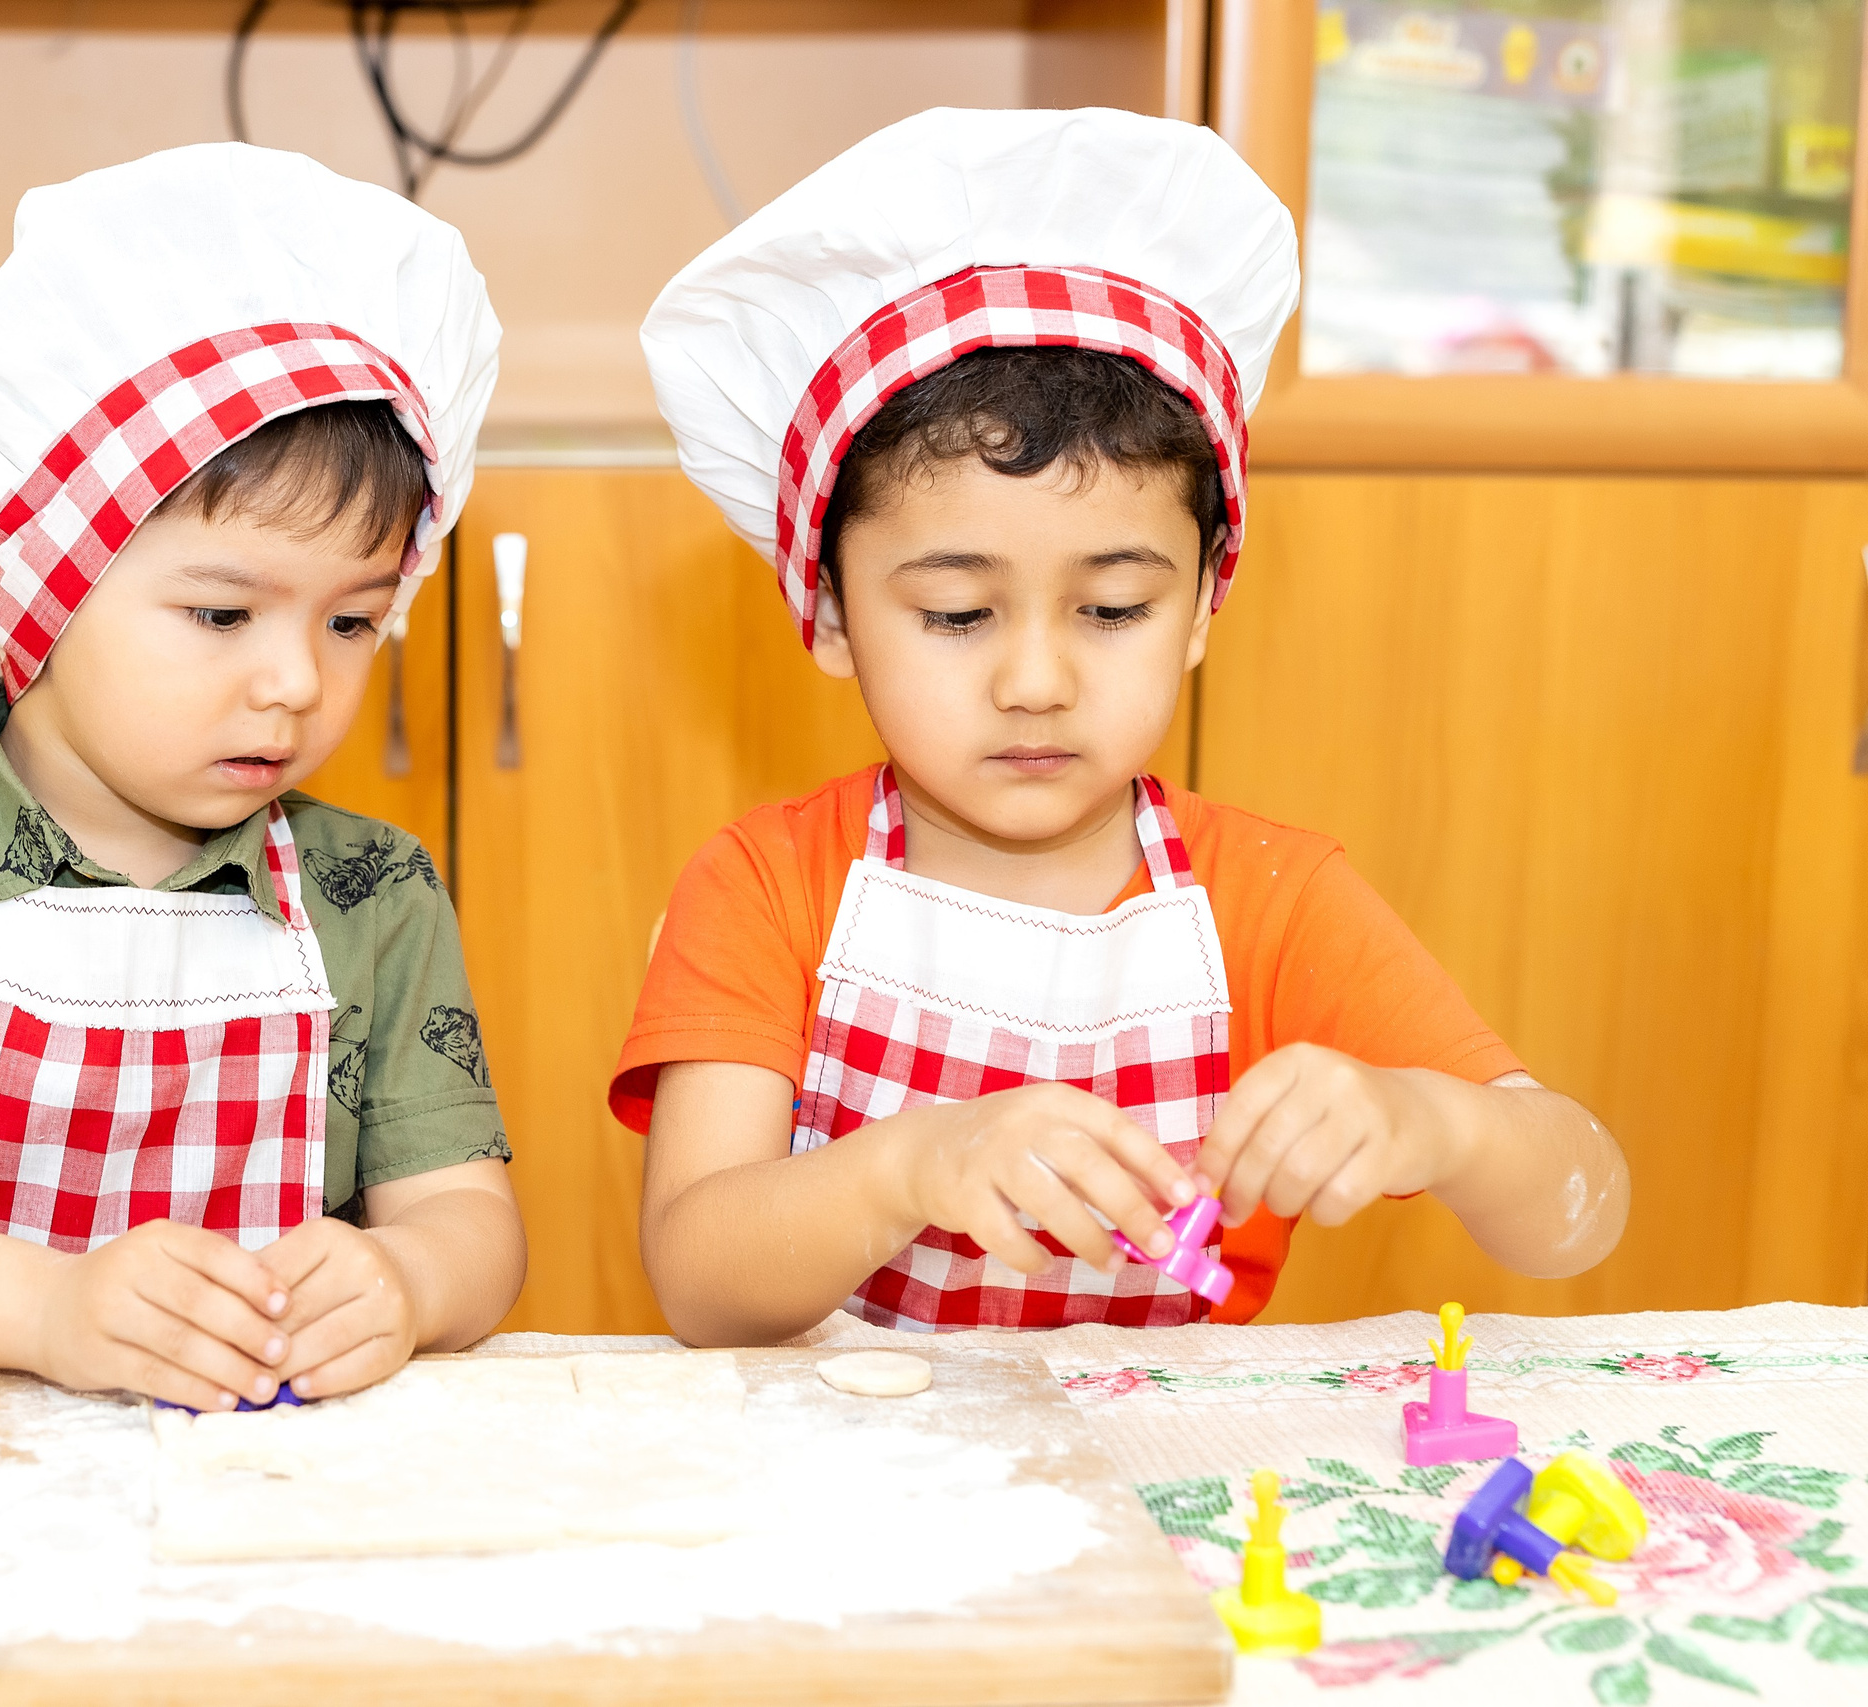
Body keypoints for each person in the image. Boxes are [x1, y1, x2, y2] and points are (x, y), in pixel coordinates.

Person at [620, 108, 1628, 1343]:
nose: (1036, 680)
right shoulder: (769, 888)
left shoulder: (1273, 903)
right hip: (855, 1484)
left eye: (1110, 607)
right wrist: (908, 1170)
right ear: (828, 614)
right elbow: (698, 1279)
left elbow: (1577, 1213)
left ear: (1201, 604)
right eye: (954, 614)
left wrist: (1436, 1121)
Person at [0, 145, 524, 1408]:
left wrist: (405, 1279)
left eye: (352, 622)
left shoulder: (371, 893)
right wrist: (48, 1308)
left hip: (256, 1482)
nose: (297, 682)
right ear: (31, 594)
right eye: (221, 615)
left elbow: (472, 1220)